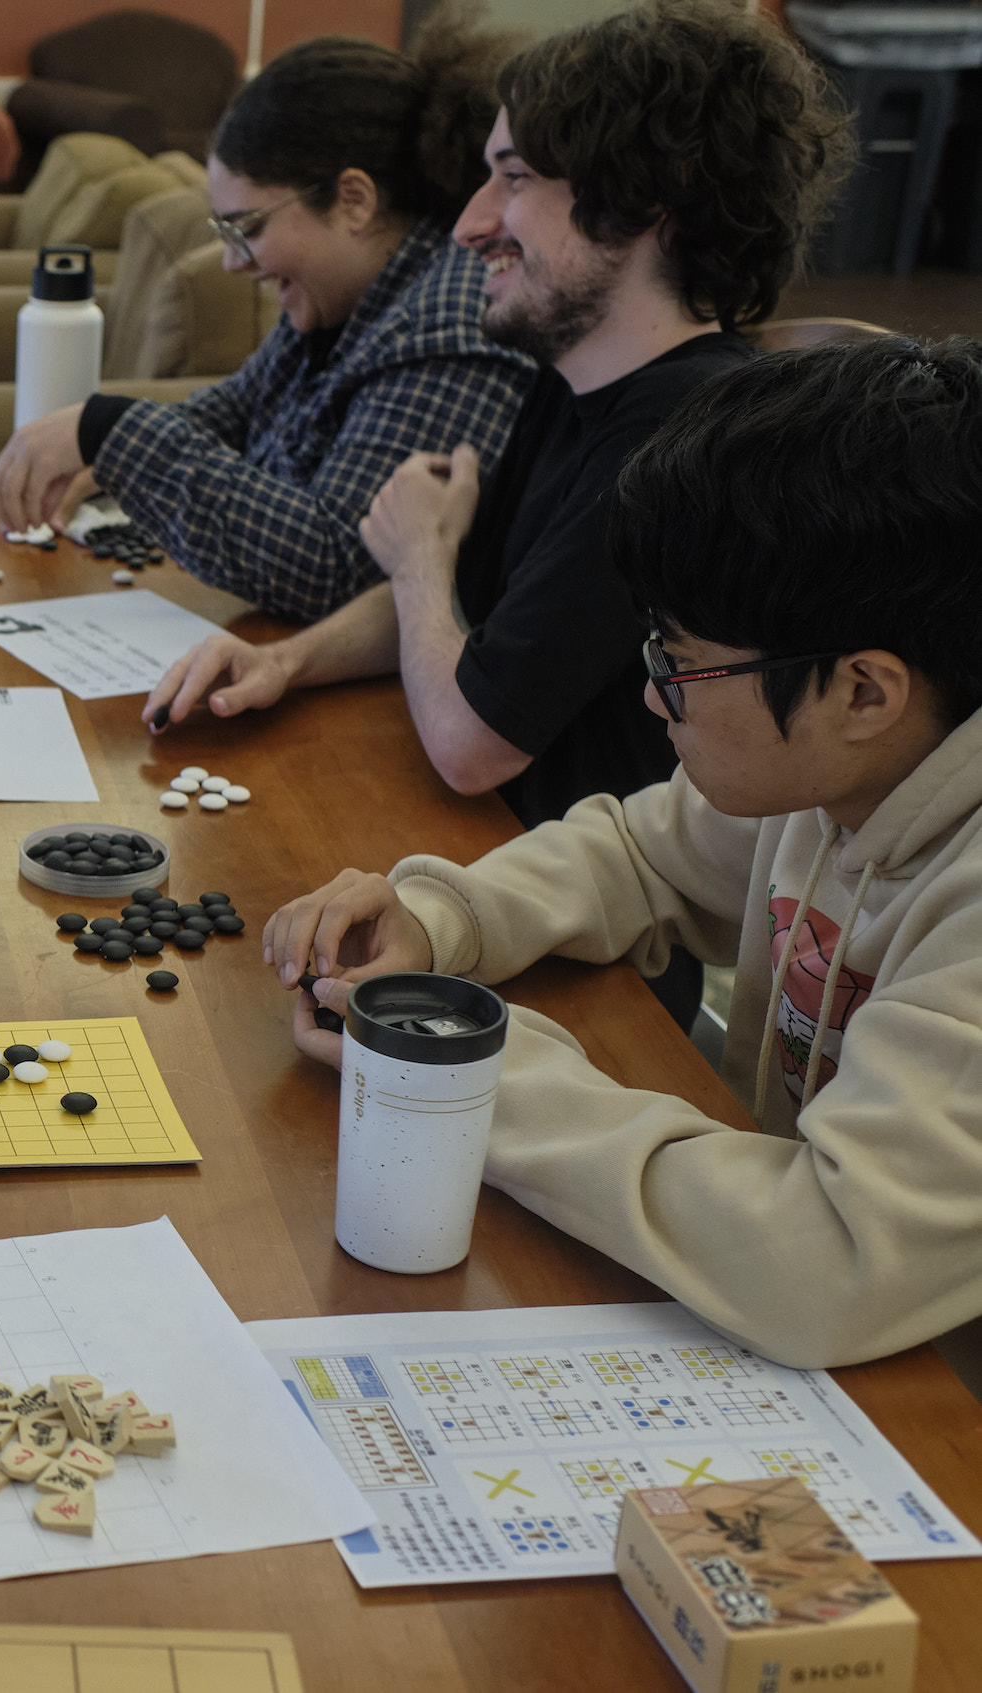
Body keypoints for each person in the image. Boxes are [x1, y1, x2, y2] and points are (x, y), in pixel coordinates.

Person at [265, 337, 982, 1371]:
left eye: (677, 664)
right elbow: (638, 856)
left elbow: (821, 1262)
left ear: (862, 690)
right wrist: (436, 917)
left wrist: (477, 1079)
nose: (650, 697)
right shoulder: (853, 763)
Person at [146, 0, 849, 1023]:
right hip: (488, 886)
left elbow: (474, 737)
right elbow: (477, 605)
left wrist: (416, 559)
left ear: (638, 202)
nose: (473, 220)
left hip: (581, 968)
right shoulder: (571, 382)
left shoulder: (681, 440)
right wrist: (287, 661)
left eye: (511, 177)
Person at [0, 14, 536, 622]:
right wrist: (103, 459)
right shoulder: (348, 294)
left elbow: (337, 568)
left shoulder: (453, 322)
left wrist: (112, 430)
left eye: (246, 229)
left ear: (353, 200)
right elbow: (236, 412)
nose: (229, 261)